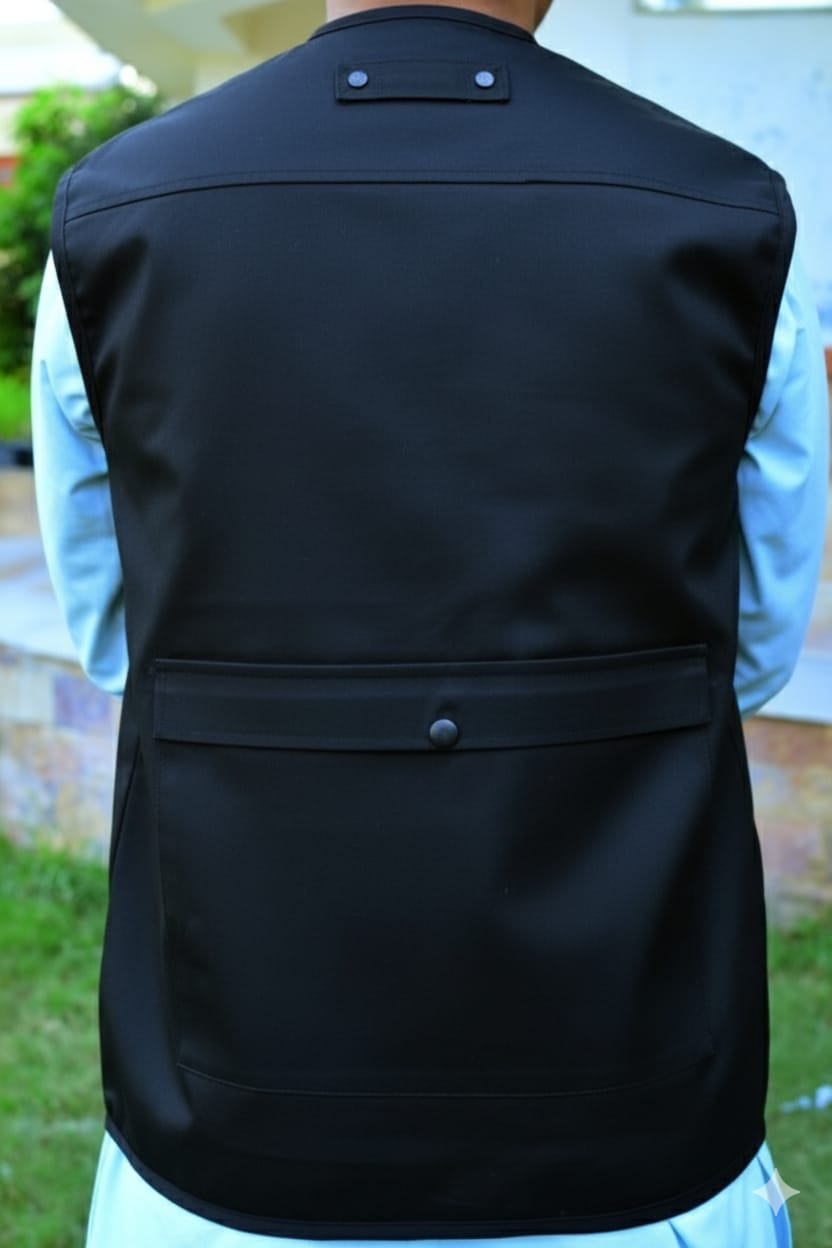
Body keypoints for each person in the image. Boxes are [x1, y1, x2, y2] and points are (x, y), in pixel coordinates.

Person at [31, 2, 828, 1245]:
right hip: (633, 1115)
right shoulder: (723, 211)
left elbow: (121, 635)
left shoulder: (118, 213)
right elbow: (754, 642)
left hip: (234, 1131)